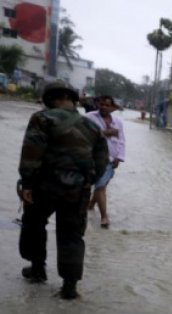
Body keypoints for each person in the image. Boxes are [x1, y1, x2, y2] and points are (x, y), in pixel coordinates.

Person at [17, 81, 109, 300]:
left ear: (50, 98)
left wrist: (26, 183)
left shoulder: (41, 118)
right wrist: (86, 181)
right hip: (77, 190)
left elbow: (32, 151)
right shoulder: (93, 127)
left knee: (34, 225)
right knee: (72, 235)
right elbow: (102, 161)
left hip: (43, 185)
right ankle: (69, 288)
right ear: (73, 99)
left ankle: (37, 270)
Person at [85, 95, 125, 228]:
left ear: (112, 107)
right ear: (98, 104)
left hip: (111, 159)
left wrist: (119, 157)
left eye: (107, 105)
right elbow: (85, 135)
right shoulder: (90, 117)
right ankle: (104, 217)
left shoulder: (118, 121)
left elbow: (121, 140)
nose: (104, 107)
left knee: (102, 185)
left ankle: (91, 204)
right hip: (95, 157)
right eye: (101, 104)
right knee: (100, 186)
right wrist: (108, 132)